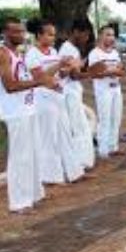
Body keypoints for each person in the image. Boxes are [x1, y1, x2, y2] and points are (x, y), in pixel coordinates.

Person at [0, 18, 55, 213]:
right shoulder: (3, 53)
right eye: (15, 32)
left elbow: (27, 79)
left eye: (22, 32)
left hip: (28, 108)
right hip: (15, 112)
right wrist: (39, 83)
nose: (20, 35)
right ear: (5, 33)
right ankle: (19, 203)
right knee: (20, 158)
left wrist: (43, 78)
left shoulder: (18, 53)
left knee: (32, 154)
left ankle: (33, 194)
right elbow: (10, 86)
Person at [25, 19, 85, 184]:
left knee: (65, 133)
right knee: (48, 137)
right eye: (50, 34)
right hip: (42, 99)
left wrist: (70, 68)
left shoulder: (52, 51)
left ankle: (74, 172)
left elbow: (59, 74)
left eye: (54, 34)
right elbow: (39, 77)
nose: (53, 37)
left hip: (57, 97)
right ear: (39, 35)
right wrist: (59, 64)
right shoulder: (32, 54)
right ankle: (49, 177)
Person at [59, 19, 95, 169]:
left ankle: (80, 161)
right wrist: (92, 73)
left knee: (85, 123)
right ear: (76, 32)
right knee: (79, 128)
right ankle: (80, 163)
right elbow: (74, 75)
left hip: (72, 93)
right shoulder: (68, 49)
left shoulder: (72, 49)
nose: (86, 39)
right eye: (85, 35)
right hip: (69, 94)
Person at [88, 25, 126, 159]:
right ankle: (103, 150)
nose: (111, 37)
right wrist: (113, 71)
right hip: (103, 90)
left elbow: (120, 67)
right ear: (100, 36)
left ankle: (113, 147)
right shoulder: (95, 53)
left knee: (116, 118)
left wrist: (123, 70)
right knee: (104, 119)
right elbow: (95, 73)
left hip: (116, 88)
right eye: (107, 34)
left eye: (112, 35)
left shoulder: (114, 53)